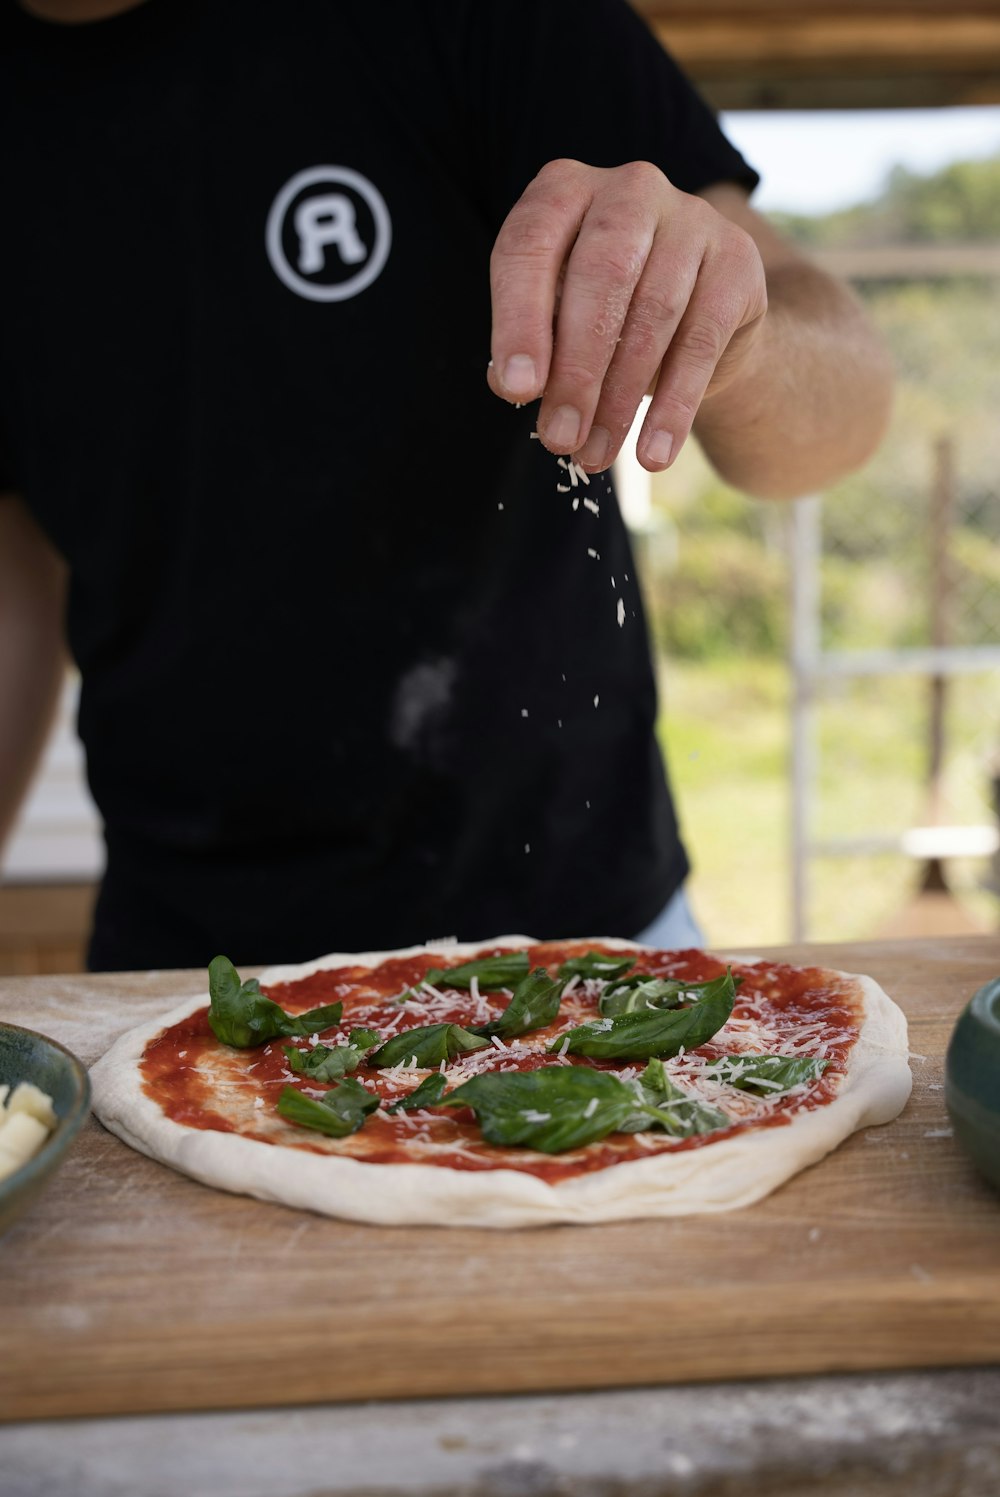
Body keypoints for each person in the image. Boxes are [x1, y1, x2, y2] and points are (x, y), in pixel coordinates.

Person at [0, 0, 893, 971]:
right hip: (185, 967)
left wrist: (734, 342)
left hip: (579, 936)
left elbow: (846, 406)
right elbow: (13, 588)